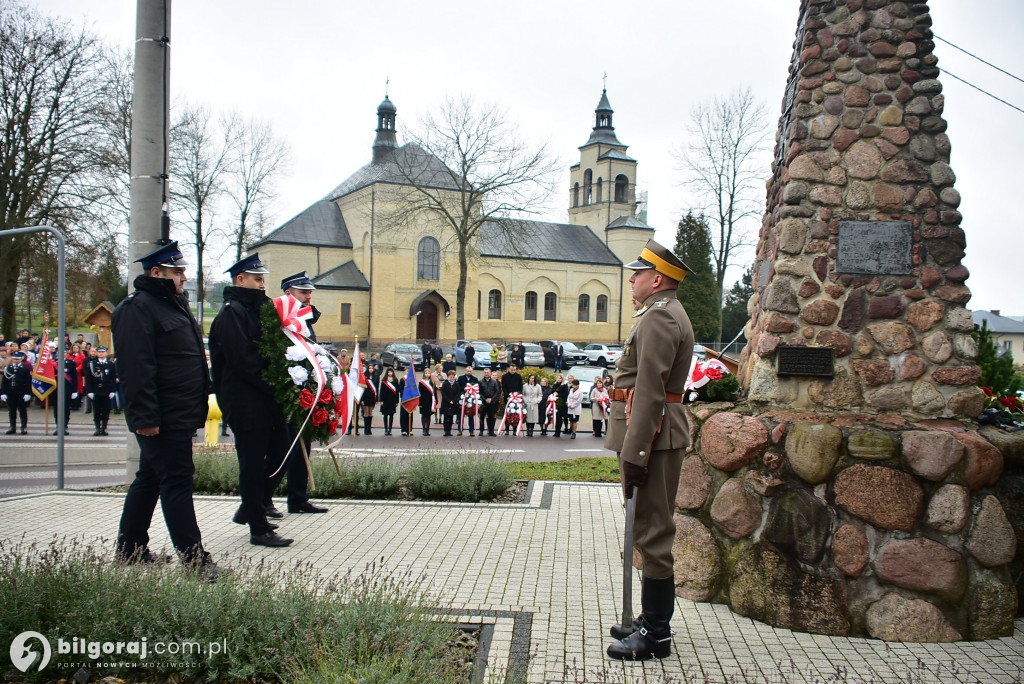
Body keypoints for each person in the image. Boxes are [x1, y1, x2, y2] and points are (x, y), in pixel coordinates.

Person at [111, 242, 224, 579]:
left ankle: (129, 550)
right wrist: (145, 418)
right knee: (176, 480)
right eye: (178, 272)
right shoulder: (138, 309)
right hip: (161, 416)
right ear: (157, 272)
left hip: (178, 412)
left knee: (149, 478)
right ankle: (195, 561)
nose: (184, 277)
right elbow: (135, 369)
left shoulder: (171, 305)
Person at [605, 239, 694, 661]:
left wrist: (636, 454)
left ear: (656, 279)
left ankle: (656, 634)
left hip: (653, 442)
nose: (632, 279)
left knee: (654, 533)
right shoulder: (659, 314)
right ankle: (649, 619)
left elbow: (649, 392)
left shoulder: (660, 318)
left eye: (637, 273)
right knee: (645, 528)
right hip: (653, 439)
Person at [210, 253, 294, 547]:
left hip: (265, 400)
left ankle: (251, 507)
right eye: (257, 279)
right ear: (240, 280)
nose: (262, 284)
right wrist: (278, 383)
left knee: (282, 450)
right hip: (246, 402)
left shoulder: (258, 310)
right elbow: (244, 360)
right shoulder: (232, 313)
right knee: (252, 462)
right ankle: (258, 528)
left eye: (263, 279)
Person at [277, 271, 329, 515]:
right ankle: (262, 501)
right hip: (287, 396)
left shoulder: (305, 320)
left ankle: (298, 498)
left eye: (309, 292)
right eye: (303, 292)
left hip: (306, 394)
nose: (309, 296)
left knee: (302, 448)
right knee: (282, 450)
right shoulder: (281, 320)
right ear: (289, 293)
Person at [85, 346, 118, 436]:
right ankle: (97, 428)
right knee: (96, 410)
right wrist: (90, 391)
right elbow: (88, 379)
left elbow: (113, 378)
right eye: (99, 352)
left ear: (106, 353)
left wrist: (113, 390)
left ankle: (104, 428)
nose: (101, 353)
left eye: (103, 352)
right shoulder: (92, 364)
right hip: (96, 390)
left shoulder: (110, 364)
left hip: (107, 390)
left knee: (106, 410)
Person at [2, 351, 31, 434]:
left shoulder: (25, 368)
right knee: (12, 411)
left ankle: (24, 427)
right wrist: (3, 393)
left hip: (21, 393)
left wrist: (28, 393)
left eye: (17, 359)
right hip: (11, 392)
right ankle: (12, 427)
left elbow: (28, 382)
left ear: (21, 359)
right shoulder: (8, 368)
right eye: (14, 359)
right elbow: (4, 382)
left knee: (22, 411)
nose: (15, 360)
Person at [52, 351, 78, 435]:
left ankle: (64, 426)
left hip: (67, 389)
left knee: (66, 409)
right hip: (55, 390)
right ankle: (58, 426)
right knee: (56, 409)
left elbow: (74, 377)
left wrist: (74, 390)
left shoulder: (71, 363)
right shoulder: (52, 363)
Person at [500, 364, 524, 434]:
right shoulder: (504, 377)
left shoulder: (518, 376)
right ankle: (507, 429)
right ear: (509, 369)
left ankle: (514, 429)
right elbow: (504, 387)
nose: (513, 371)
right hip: (508, 398)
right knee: (507, 413)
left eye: (514, 370)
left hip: (516, 398)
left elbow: (520, 387)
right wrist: (507, 396)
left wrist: (518, 395)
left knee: (515, 413)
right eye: (511, 370)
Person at [478, 367, 500, 436]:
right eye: (485, 372)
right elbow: (479, 392)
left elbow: (497, 392)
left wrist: (492, 399)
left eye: (487, 372)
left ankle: (491, 431)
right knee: (482, 417)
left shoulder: (494, 381)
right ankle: (481, 431)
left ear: (490, 373)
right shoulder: (480, 381)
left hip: (492, 402)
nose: (486, 374)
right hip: (483, 402)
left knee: (491, 417)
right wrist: (485, 399)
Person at [457, 366, 479, 435]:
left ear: (472, 372)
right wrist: (464, 389)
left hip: (471, 400)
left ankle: (471, 430)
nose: (469, 372)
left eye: (470, 371)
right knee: (461, 415)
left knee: (471, 415)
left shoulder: (475, 379)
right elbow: (458, 387)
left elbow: (477, 388)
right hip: (462, 399)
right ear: (465, 371)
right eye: (467, 371)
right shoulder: (461, 378)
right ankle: (460, 430)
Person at [378, 367, 400, 435]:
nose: (390, 373)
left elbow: (397, 392)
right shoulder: (384, 381)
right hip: (385, 400)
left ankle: (390, 429)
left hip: (392, 400)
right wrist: (381, 400)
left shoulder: (395, 380)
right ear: (387, 373)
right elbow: (381, 391)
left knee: (391, 415)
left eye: (391, 372)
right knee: (385, 415)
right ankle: (385, 429)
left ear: (393, 373)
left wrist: (397, 401)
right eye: (388, 372)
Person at [439, 369, 461, 436]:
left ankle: (449, 431)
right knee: (446, 417)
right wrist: (449, 401)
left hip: (453, 403)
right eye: (451, 377)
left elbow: (458, 393)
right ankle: (446, 431)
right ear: (448, 377)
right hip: (446, 402)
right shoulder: (445, 384)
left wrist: (453, 400)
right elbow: (443, 393)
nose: (452, 378)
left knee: (451, 418)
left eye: (453, 377)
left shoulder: (457, 384)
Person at [418, 367, 435, 435]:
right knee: (423, 415)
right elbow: (419, 393)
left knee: (428, 415)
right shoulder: (421, 382)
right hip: (423, 401)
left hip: (430, 401)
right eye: (426, 373)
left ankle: (427, 429)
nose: (427, 374)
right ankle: (423, 429)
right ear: (424, 374)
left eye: (428, 373)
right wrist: (420, 403)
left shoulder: (431, 382)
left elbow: (433, 392)